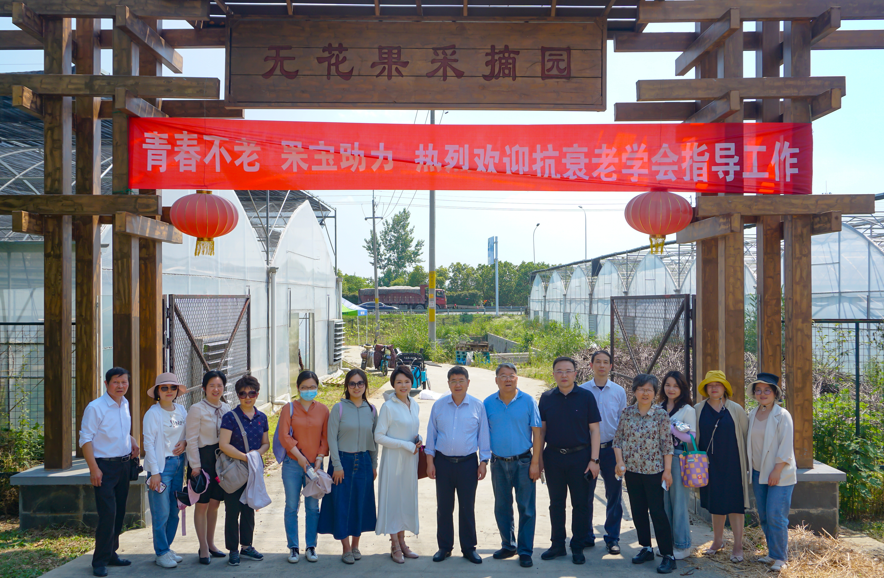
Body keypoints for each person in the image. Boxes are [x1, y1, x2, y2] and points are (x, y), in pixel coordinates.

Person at [538, 356, 601, 565]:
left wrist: (594, 460)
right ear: (553, 374)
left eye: (568, 371)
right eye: (559, 371)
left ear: (575, 373)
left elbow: (594, 430)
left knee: (580, 504)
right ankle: (557, 545)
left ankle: (577, 546)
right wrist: (538, 459)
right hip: (553, 457)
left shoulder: (586, 397)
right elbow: (541, 431)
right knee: (556, 504)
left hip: (581, 457)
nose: (563, 375)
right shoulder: (546, 398)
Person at [425, 366, 491, 565]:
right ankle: (444, 547)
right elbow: (431, 435)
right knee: (444, 508)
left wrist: (483, 462)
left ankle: (469, 548)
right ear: (448, 383)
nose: (457, 384)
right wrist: (430, 462)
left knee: (467, 507)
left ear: (468, 383)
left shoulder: (477, 406)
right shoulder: (439, 406)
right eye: (453, 381)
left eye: (461, 380)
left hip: (468, 464)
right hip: (443, 463)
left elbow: (483, 436)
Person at [79, 367, 140, 578]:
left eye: (124, 382)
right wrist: (93, 468)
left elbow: (119, 430)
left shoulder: (125, 403)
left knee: (119, 512)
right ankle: (99, 561)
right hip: (104, 467)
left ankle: (111, 553)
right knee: (108, 514)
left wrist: (131, 440)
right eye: (116, 382)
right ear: (106, 384)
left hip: (124, 465)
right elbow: (86, 439)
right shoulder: (95, 408)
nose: (121, 386)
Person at [613, 374, 677, 574]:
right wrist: (620, 462)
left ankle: (668, 555)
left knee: (657, 512)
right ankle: (646, 547)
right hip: (632, 471)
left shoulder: (660, 415)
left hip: (654, 472)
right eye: (641, 389)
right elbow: (618, 440)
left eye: (649, 390)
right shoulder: (627, 413)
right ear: (634, 391)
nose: (645, 393)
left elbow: (667, 445)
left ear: (655, 393)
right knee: (638, 510)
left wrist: (667, 471)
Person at [483, 363, 542, 568]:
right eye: (503, 376)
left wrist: (535, 462)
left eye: (511, 375)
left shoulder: (528, 401)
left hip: (524, 462)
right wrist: (483, 460)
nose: (508, 379)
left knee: (526, 508)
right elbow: (483, 434)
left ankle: (525, 551)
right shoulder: (488, 403)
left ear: (517, 378)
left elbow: (537, 433)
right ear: (496, 380)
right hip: (498, 462)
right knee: (502, 506)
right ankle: (508, 545)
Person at [318, 368, 379, 564]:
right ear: (347, 386)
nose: (356, 387)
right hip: (342, 462)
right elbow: (332, 438)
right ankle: (345, 548)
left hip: (364, 462)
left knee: (360, 504)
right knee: (342, 505)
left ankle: (355, 546)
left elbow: (374, 440)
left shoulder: (372, 410)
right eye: (352, 383)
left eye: (360, 383)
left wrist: (374, 464)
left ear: (365, 385)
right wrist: (337, 465)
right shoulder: (339, 408)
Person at [694, 370, 750, 563]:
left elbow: (745, 435)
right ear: (706, 389)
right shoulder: (698, 409)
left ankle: (738, 545)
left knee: (735, 505)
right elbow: (693, 436)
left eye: (718, 384)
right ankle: (717, 541)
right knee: (715, 504)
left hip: (733, 463)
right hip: (709, 465)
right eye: (710, 385)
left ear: (725, 388)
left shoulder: (736, 409)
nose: (714, 388)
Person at [578, 350, 626, 554]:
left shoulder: (619, 391)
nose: (602, 366)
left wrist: (621, 455)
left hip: (611, 450)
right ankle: (587, 535)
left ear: (611, 366)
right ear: (591, 365)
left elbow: (622, 423)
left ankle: (612, 538)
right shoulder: (581, 390)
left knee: (614, 495)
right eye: (597, 362)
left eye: (606, 362)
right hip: (587, 451)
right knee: (585, 495)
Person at [747, 373, 796, 573]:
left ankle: (781, 557)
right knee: (765, 515)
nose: (763, 394)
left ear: (775, 393)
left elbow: (786, 445)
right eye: (758, 390)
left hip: (779, 473)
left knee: (776, 515)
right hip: (758, 472)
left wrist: (777, 470)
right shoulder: (752, 413)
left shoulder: (782, 415)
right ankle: (772, 553)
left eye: (767, 390)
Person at [219, 375, 270, 567]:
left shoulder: (262, 417)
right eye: (242, 394)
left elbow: (266, 443)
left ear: (257, 394)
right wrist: (245, 457)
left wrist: (256, 455)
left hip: (253, 470)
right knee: (232, 511)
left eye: (251, 393)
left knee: (249, 509)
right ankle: (233, 549)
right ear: (237, 395)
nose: (247, 397)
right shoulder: (230, 417)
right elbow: (224, 444)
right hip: (234, 470)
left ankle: (247, 546)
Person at [279, 371, 329, 564]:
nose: (309, 390)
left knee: (313, 507)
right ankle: (293, 547)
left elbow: (325, 437)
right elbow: (284, 436)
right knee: (292, 506)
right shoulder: (289, 409)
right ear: (298, 388)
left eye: (312, 387)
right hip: (292, 464)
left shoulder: (323, 410)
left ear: (317, 387)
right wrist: (300, 458)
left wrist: (319, 458)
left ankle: (311, 546)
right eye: (304, 387)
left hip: (314, 467)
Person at [375, 366, 421, 564]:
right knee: (393, 500)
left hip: (410, 460)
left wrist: (417, 439)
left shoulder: (414, 404)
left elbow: (411, 430)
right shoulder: (388, 407)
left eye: (407, 381)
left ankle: (403, 542)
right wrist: (404, 444)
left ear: (412, 383)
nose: (403, 385)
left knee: (405, 500)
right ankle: (394, 544)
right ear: (393, 384)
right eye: (399, 382)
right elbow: (379, 436)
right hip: (393, 460)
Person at [185, 370, 231, 565]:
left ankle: (211, 544)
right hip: (202, 461)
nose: (216, 389)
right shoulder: (197, 409)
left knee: (215, 504)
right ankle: (203, 547)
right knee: (202, 505)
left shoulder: (227, 408)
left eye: (219, 385)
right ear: (204, 388)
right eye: (212, 385)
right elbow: (191, 439)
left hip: (221, 461)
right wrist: (195, 466)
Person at [143, 373, 188, 568]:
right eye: (164, 388)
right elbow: (148, 444)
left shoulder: (181, 410)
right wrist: (155, 472)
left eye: (173, 387)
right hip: (161, 468)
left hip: (179, 464)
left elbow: (187, 434)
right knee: (161, 512)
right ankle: (161, 552)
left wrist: (184, 443)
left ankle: (167, 548)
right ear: (157, 392)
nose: (169, 391)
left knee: (174, 510)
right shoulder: (153, 413)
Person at [658, 371, 697, 560]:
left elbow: (691, 437)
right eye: (668, 385)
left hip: (678, 458)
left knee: (679, 503)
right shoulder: (658, 407)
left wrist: (671, 428)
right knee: (664, 504)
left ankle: (683, 545)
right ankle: (668, 544)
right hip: (658, 459)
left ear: (682, 388)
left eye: (675, 385)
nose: (671, 389)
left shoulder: (687, 410)